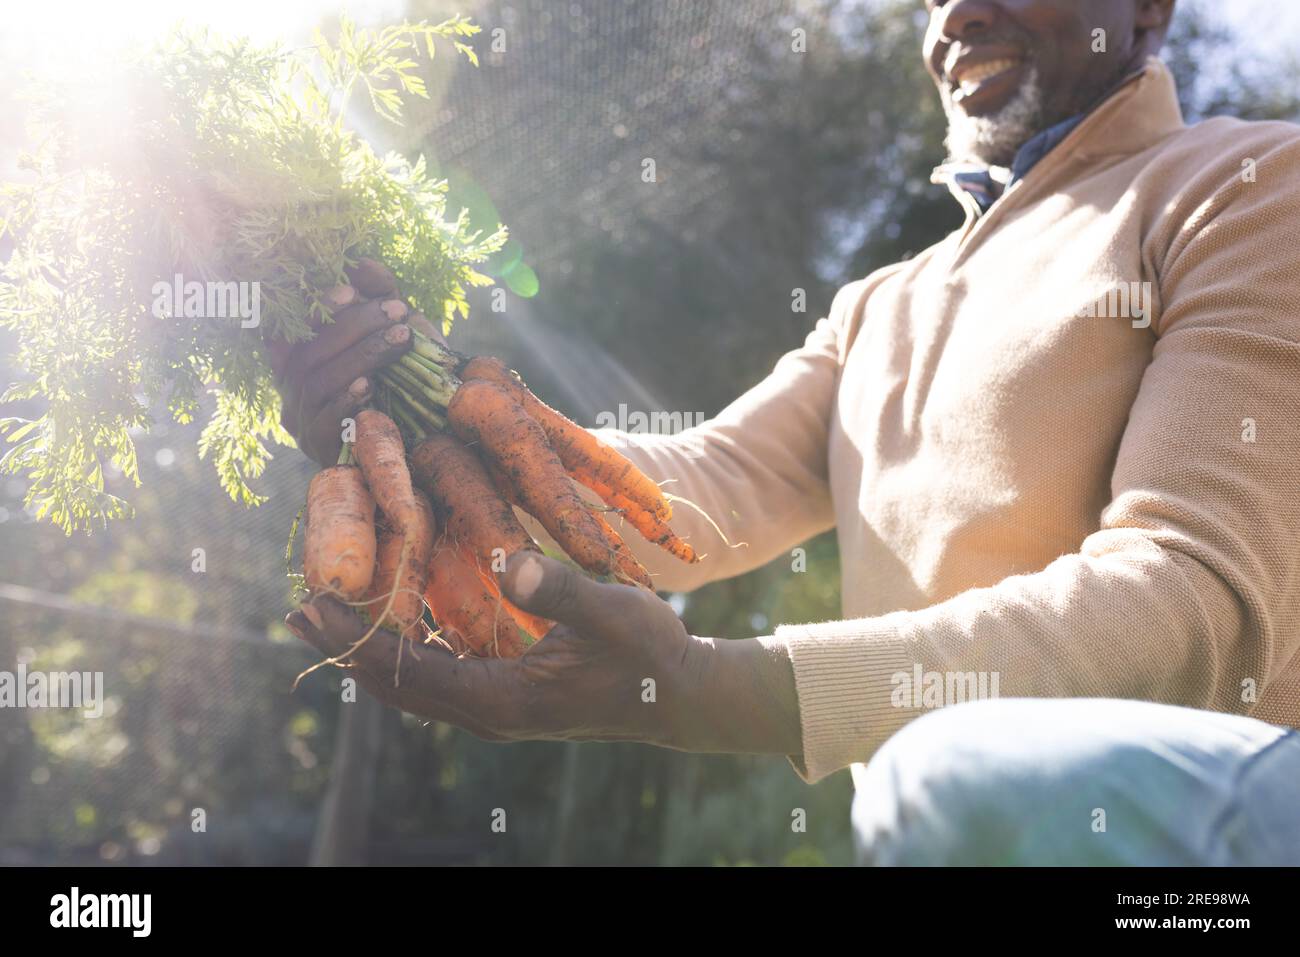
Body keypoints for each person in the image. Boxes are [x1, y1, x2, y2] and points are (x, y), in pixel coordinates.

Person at [279, 0, 1300, 865]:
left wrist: (719, 688)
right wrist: (411, 403)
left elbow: (1192, 599)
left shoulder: (1247, 185)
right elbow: (700, 493)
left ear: (1151, 8)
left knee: (944, 768)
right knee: (937, 778)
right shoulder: (878, 305)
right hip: (949, 833)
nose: (955, 14)